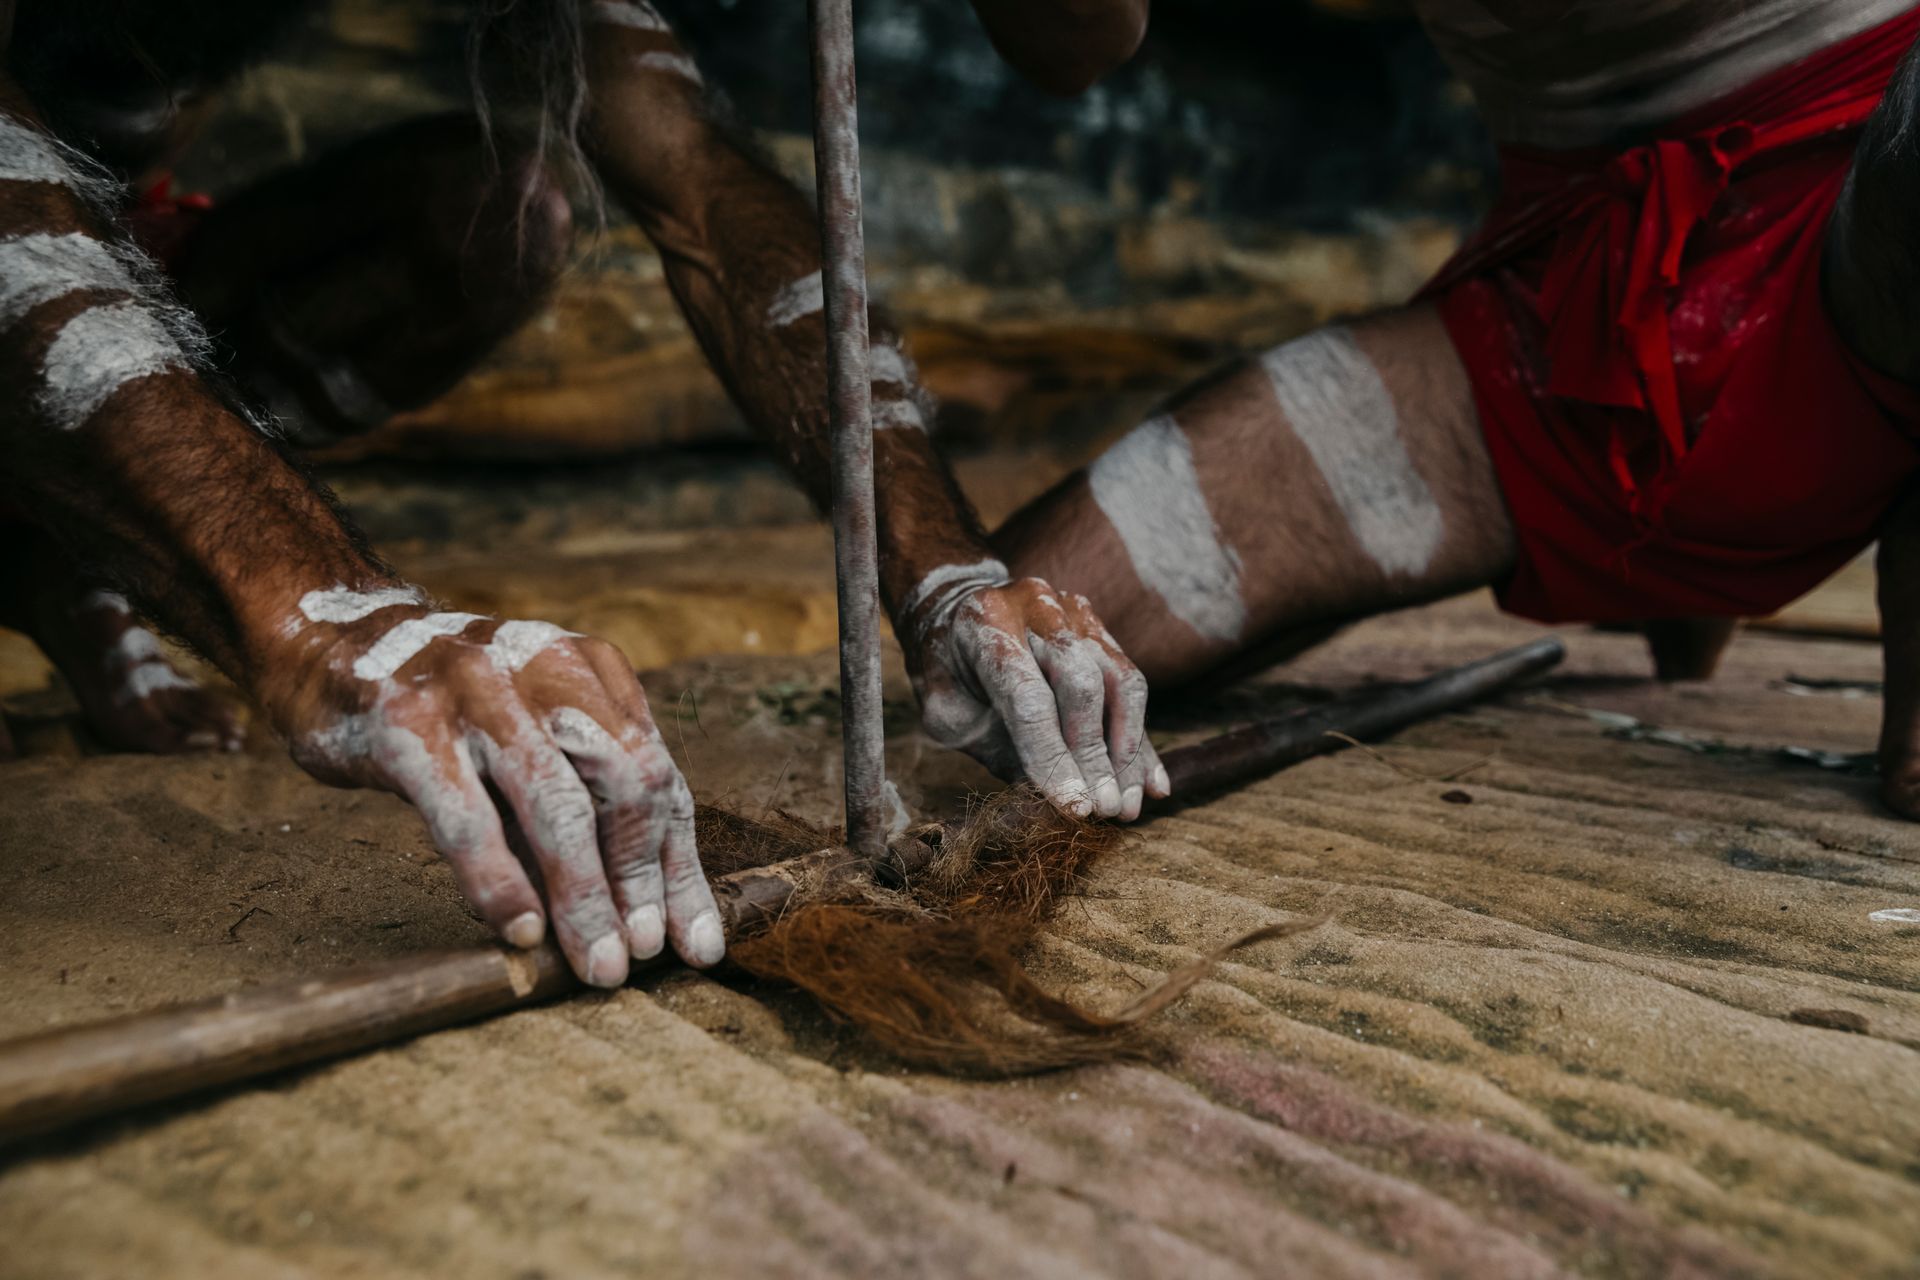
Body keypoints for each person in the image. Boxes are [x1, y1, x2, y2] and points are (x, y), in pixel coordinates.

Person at [0, 0, 1159, 990]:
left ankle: (70, 558)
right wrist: (317, 608)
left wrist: (942, 565)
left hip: (120, 239)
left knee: (498, 217)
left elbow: (701, 192)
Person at [982, 0, 1920, 823]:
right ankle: (1668, 576)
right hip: (1567, 300)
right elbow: (1075, 45)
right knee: (1013, 672)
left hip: (1870, 185)